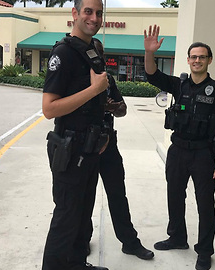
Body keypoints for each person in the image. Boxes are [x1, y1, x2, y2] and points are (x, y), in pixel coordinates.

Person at [144, 25, 215, 270]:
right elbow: (152, 75)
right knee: (174, 195)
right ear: (188, 60)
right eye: (194, 57)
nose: (197, 60)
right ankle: (178, 237)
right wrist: (149, 52)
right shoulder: (179, 85)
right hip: (178, 150)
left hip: (204, 153)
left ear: (209, 60)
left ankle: (204, 251)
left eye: (202, 57)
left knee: (205, 204)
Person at [41, 0, 110, 269]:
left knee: (83, 216)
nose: (94, 18)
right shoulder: (64, 52)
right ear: (75, 14)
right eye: (88, 11)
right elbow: (49, 109)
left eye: (99, 12)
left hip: (89, 148)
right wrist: (94, 91)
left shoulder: (91, 50)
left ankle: (77, 264)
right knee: (66, 218)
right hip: (69, 150)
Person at [86, 38, 154, 260]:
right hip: (84, 147)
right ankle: (82, 239)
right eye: (95, 53)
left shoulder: (108, 79)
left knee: (117, 194)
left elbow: (122, 108)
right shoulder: (77, 78)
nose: (99, 57)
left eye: (101, 54)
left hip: (109, 145)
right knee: (84, 197)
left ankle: (129, 242)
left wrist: (115, 107)